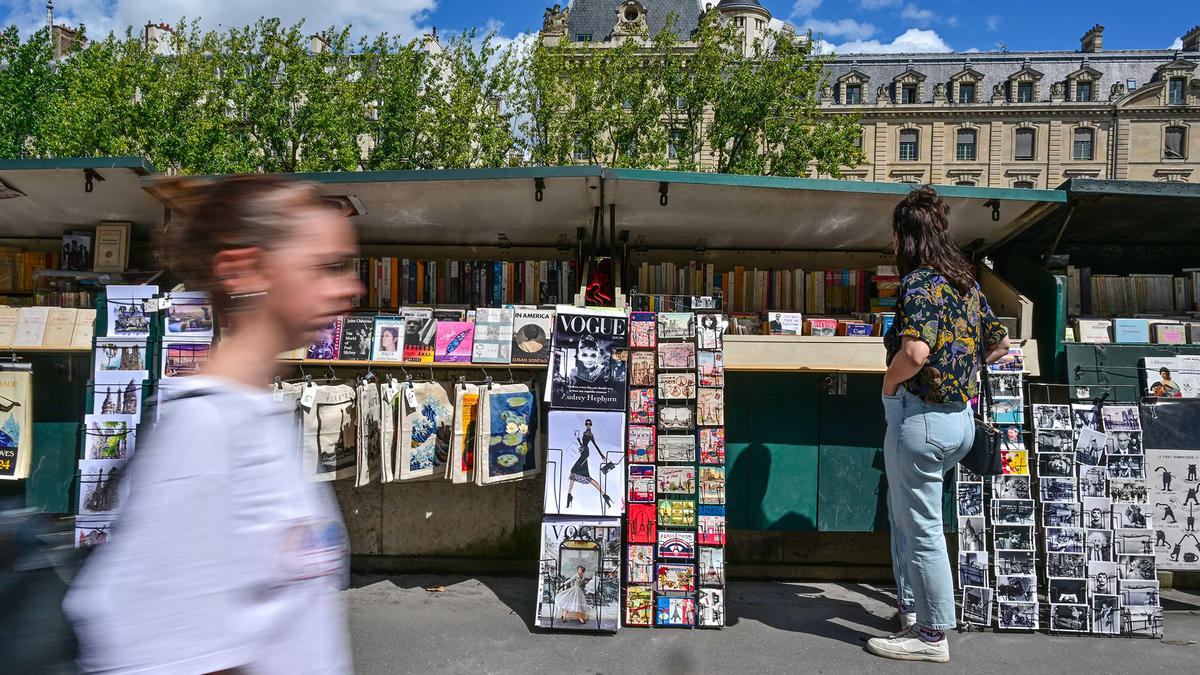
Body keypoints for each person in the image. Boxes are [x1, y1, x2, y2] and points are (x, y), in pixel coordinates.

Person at [64, 175, 363, 673]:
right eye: (327, 267)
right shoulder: (205, 429)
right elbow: (157, 651)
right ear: (244, 270)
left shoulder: (255, 412)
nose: (351, 287)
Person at [873, 186, 1010, 664]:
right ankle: (912, 609)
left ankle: (931, 636)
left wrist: (889, 387)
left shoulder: (919, 285)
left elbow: (914, 353)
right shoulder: (965, 283)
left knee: (922, 528)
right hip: (960, 422)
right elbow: (999, 343)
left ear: (903, 238)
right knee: (909, 519)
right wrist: (961, 368)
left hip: (922, 420)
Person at [566, 419, 615, 509]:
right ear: (585, 425)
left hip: (585, 453)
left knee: (573, 471)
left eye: (589, 424)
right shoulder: (585, 433)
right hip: (583, 452)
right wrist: (577, 439)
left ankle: (569, 495)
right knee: (586, 477)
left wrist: (602, 456)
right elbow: (583, 444)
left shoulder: (590, 434)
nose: (588, 425)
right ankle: (604, 495)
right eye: (587, 424)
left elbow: (595, 446)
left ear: (591, 425)